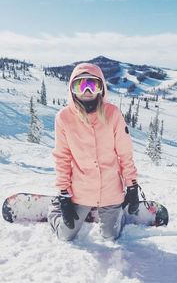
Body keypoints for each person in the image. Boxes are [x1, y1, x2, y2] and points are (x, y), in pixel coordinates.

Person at [48, 62, 139, 241]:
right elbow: (62, 158)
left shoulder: (113, 114)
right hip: (80, 190)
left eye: (93, 85)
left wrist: (132, 185)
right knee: (65, 235)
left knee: (110, 236)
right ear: (72, 89)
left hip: (110, 190)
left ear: (101, 88)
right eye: (80, 85)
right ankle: (55, 207)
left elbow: (124, 153)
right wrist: (64, 193)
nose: (87, 91)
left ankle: (116, 214)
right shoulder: (64, 118)